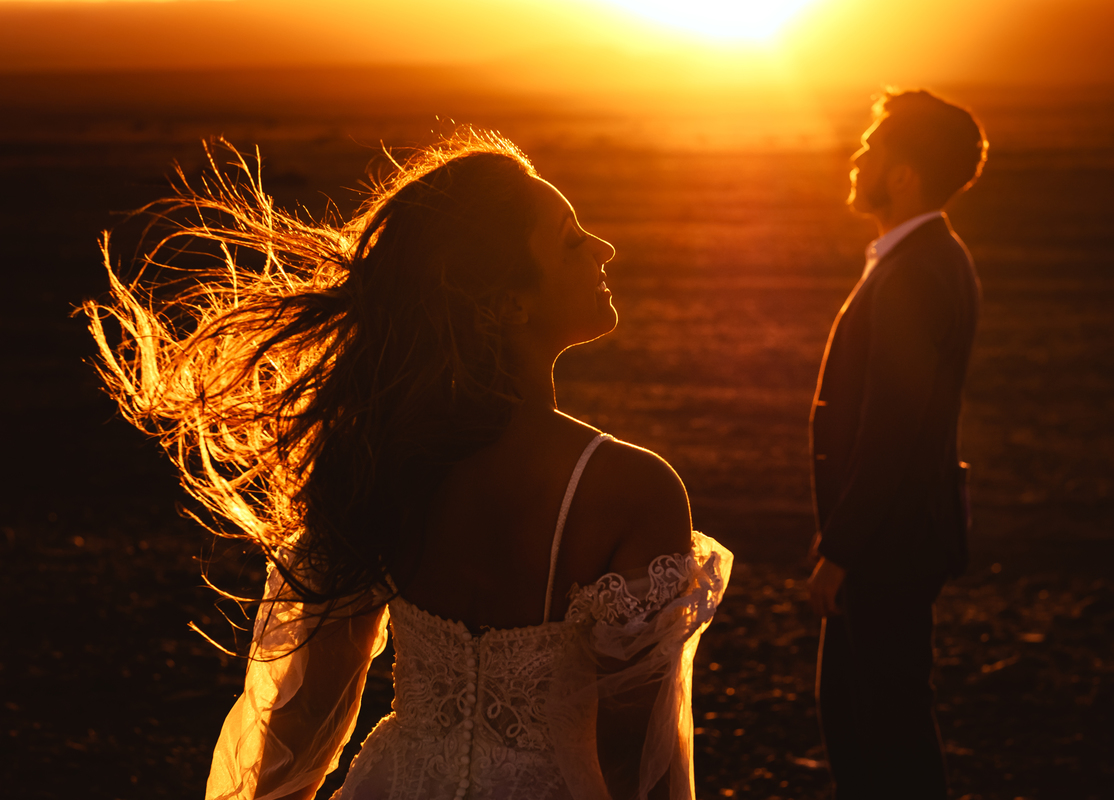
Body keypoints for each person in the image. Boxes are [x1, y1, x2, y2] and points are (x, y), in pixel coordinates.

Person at [83, 130, 732, 800]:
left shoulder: (380, 456)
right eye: (571, 240)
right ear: (509, 302)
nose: (605, 248)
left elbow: (304, 722)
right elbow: (637, 767)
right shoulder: (631, 488)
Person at [804, 89, 987, 798]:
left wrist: (840, 551)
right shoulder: (930, 258)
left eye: (871, 148)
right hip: (898, 537)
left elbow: (892, 429)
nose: (857, 158)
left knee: (882, 736)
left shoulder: (914, 272)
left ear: (904, 174)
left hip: (887, 545)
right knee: (867, 725)